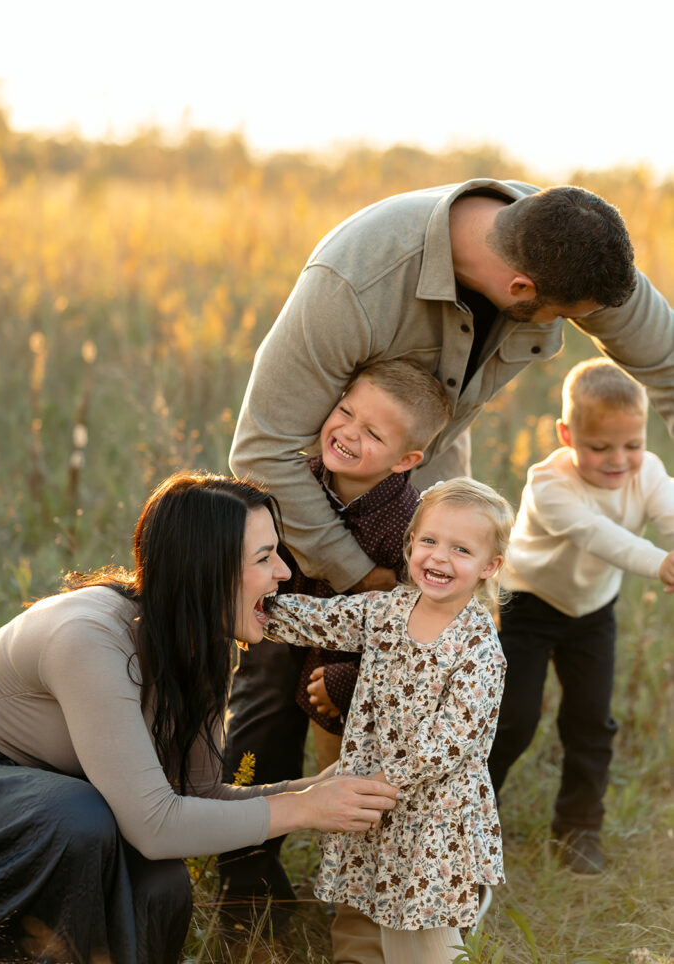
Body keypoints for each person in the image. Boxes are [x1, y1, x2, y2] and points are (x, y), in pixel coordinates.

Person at [225, 179, 674, 908]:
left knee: (412, 677)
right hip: (306, 494)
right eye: (565, 320)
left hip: (419, 500)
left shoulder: (572, 242)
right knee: (278, 682)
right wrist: (356, 576)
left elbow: (669, 362)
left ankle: (383, 876)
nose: (579, 327)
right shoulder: (355, 279)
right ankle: (246, 878)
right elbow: (264, 448)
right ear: (520, 286)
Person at [0, 472, 398, 964]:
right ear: (207, 570)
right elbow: (156, 826)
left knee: (162, 883)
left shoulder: (201, 642)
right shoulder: (87, 638)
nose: (285, 574)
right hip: (16, 788)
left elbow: (195, 797)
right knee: (80, 817)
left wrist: (320, 789)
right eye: (264, 558)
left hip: (56, 798)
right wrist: (309, 809)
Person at [220, 360, 449, 917]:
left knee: (353, 771)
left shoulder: (408, 524)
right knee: (258, 729)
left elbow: (410, 622)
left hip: (347, 664)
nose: (348, 433)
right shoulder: (295, 476)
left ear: (406, 459)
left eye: (373, 434)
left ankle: (357, 897)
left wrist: (350, 678)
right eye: (345, 412)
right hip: (276, 625)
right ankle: (244, 877)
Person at [262, 478, 514, 964]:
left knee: (420, 933)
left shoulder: (479, 647)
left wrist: (381, 783)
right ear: (411, 543)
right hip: (371, 799)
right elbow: (322, 619)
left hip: (430, 814)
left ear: (490, 566)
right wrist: (258, 609)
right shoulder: (389, 609)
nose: (439, 558)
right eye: (429, 541)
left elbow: (449, 741)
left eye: (461, 549)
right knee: (357, 908)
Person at [488, 359, 674, 875]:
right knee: (513, 718)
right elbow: (599, 536)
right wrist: (660, 563)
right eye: (600, 448)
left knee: (591, 719)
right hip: (527, 605)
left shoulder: (650, 472)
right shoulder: (548, 484)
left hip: (593, 613)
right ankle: (472, 817)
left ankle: (579, 829)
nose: (619, 460)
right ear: (567, 434)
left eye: (632, 445)